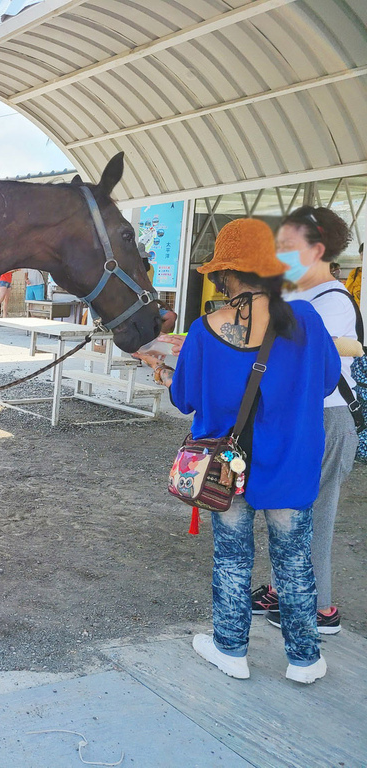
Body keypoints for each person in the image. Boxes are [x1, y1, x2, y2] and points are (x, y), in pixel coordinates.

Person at [160, 218, 339, 684]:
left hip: (226, 472)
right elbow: (324, 382)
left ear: (224, 275)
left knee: (232, 558)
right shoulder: (308, 322)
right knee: (294, 561)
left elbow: (184, 399)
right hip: (290, 466)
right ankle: (304, 660)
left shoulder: (204, 330)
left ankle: (231, 651)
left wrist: (165, 372)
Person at [250, 207, 357, 635]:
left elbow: (318, 354)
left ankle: (320, 608)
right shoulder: (298, 297)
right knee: (290, 508)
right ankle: (284, 587)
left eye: (288, 248)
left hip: (327, 420)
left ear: (317, 250)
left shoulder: (333, 302)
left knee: (315, 513)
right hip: (298, 420)